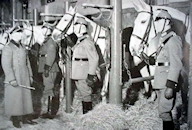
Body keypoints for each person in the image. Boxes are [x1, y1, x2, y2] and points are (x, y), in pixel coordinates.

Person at [1, 27, 37, 128]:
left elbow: (27, 63)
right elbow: (6, 65)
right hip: (14, 76)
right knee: (15, 97)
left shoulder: (23, 47)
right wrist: (11, 78)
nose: (21, 35)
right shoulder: (8, 48)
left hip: (24, 75)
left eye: (21, 33)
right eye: (18, 33)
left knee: (25, 97)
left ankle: (25, 118)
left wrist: (30, 75)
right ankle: (15, 119)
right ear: (12, 35)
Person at [153, 10, 183, 130]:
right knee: (162, 112)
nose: (157, 24)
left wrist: (171, 86)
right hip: (161, 80)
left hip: (167, 81)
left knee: (164, 112)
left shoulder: (173, 40)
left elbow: (176, 64)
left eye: (158, 21)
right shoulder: (164, 39)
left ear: (166, 21)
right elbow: (162, 60)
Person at [71, 17, 99, 114]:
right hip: (78, 72)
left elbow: (94, 58)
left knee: (86, 94)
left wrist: (91, 75)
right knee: (83, 94)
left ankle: (87, 116)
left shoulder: (87, 42)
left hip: (83, 72)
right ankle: (85, 115)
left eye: (76, 26)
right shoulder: (81, 41)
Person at [38, 23, 61, 119]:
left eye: (45, 29)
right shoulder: (46, 41)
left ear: (49, 31)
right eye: (42, 28)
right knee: (47, 87)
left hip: (50, 69)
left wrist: (47, 68)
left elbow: (51, 56)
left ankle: (50, 112)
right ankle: (48, 110)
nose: (43, 30)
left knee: (49, 88)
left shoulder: (50, 42)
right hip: (47, 67)